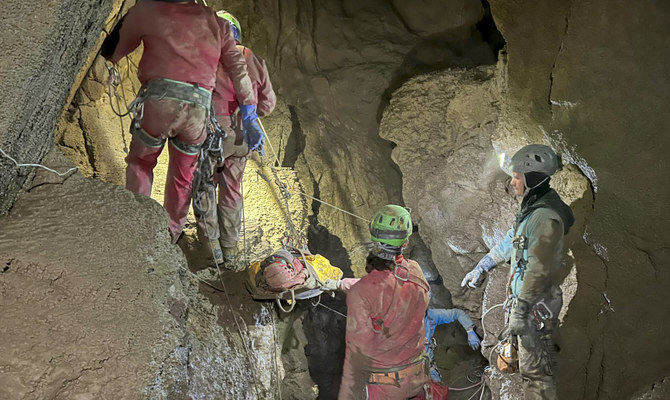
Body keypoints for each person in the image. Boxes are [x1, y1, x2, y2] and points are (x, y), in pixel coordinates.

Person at [101, 0, 263, 243]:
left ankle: (135, 226)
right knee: (183, 176)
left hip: (159, 101)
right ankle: (170, 234)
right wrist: (250, 116)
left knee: (141, 162)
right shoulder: (216, 23)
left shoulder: (147, 10)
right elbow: (239, 71)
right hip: (197, 110)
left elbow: (112, 52)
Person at [461, 144, 574, 400]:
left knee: (536, 376)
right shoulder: (532, 210)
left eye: (516, 176)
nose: (512, 182)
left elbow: (538, 269)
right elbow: (513, 241)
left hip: (535, 307)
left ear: (532, 178)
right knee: (526, 367)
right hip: (527, 304)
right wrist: (483, 265)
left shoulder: (545, 217)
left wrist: (520, 314)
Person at [193, 10, 276, 266]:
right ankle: (230, 250)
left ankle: (212, 249)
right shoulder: (250, 57)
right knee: (232, 188)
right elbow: (268, 103)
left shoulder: (203, 56)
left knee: (203, 185)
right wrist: (247, 116)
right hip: (241, 137)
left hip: (209, 134)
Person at [338, 205, 431, 400]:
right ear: (405, 243)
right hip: (417, 379)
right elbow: (400, 291)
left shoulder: (362, 292)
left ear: (374, 239)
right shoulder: (415, 270)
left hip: (385, 388)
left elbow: (357, 355)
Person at [424, 307, 481, 382]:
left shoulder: (430, 316)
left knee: (436, 389)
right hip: (410, 370)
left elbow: (457, 313)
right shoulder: (404, 325)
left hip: (428, 365)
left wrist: (469, 330)